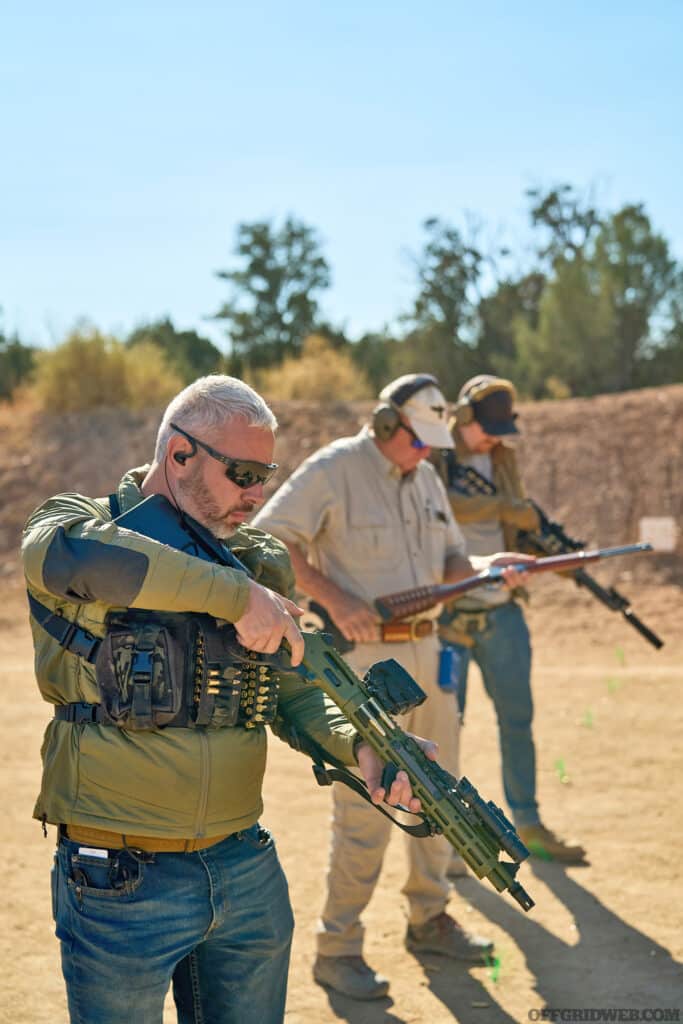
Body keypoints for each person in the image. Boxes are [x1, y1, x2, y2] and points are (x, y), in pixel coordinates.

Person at [21, 374, 430, 1024]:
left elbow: (294, 689)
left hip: (243, 867)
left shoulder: (256, 561)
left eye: (265, 474)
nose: (257, 494)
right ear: (178, 455)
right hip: (119, 879)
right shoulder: (79, 524)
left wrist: (358, 746)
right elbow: (69, 559)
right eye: (242, 473)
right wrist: (235, 596)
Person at [252, 373, 534, 1001]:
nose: (428, 451)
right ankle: (338, 947)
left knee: (446, 790)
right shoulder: (335, 469)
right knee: (368, 806)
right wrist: (333, 596)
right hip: (365, 664)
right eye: (417, 438)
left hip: (432, 654)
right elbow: (268, 539)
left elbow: (453, 564)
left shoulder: (426, 476)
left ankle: (429, 917)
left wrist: (494, 570)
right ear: (384, 424)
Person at [435, 374, 587, 865]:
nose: (494, 437)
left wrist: (531, 560)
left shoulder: (503, 459)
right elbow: (438, 508)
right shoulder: (435, 457)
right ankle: (447, 839)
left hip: (502, 614)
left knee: (517, 721)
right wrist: (507, 508)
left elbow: (517, 527)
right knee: (444, 731)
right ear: (462, 419)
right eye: (487, 428)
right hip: (448, 615)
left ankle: (529, 824)